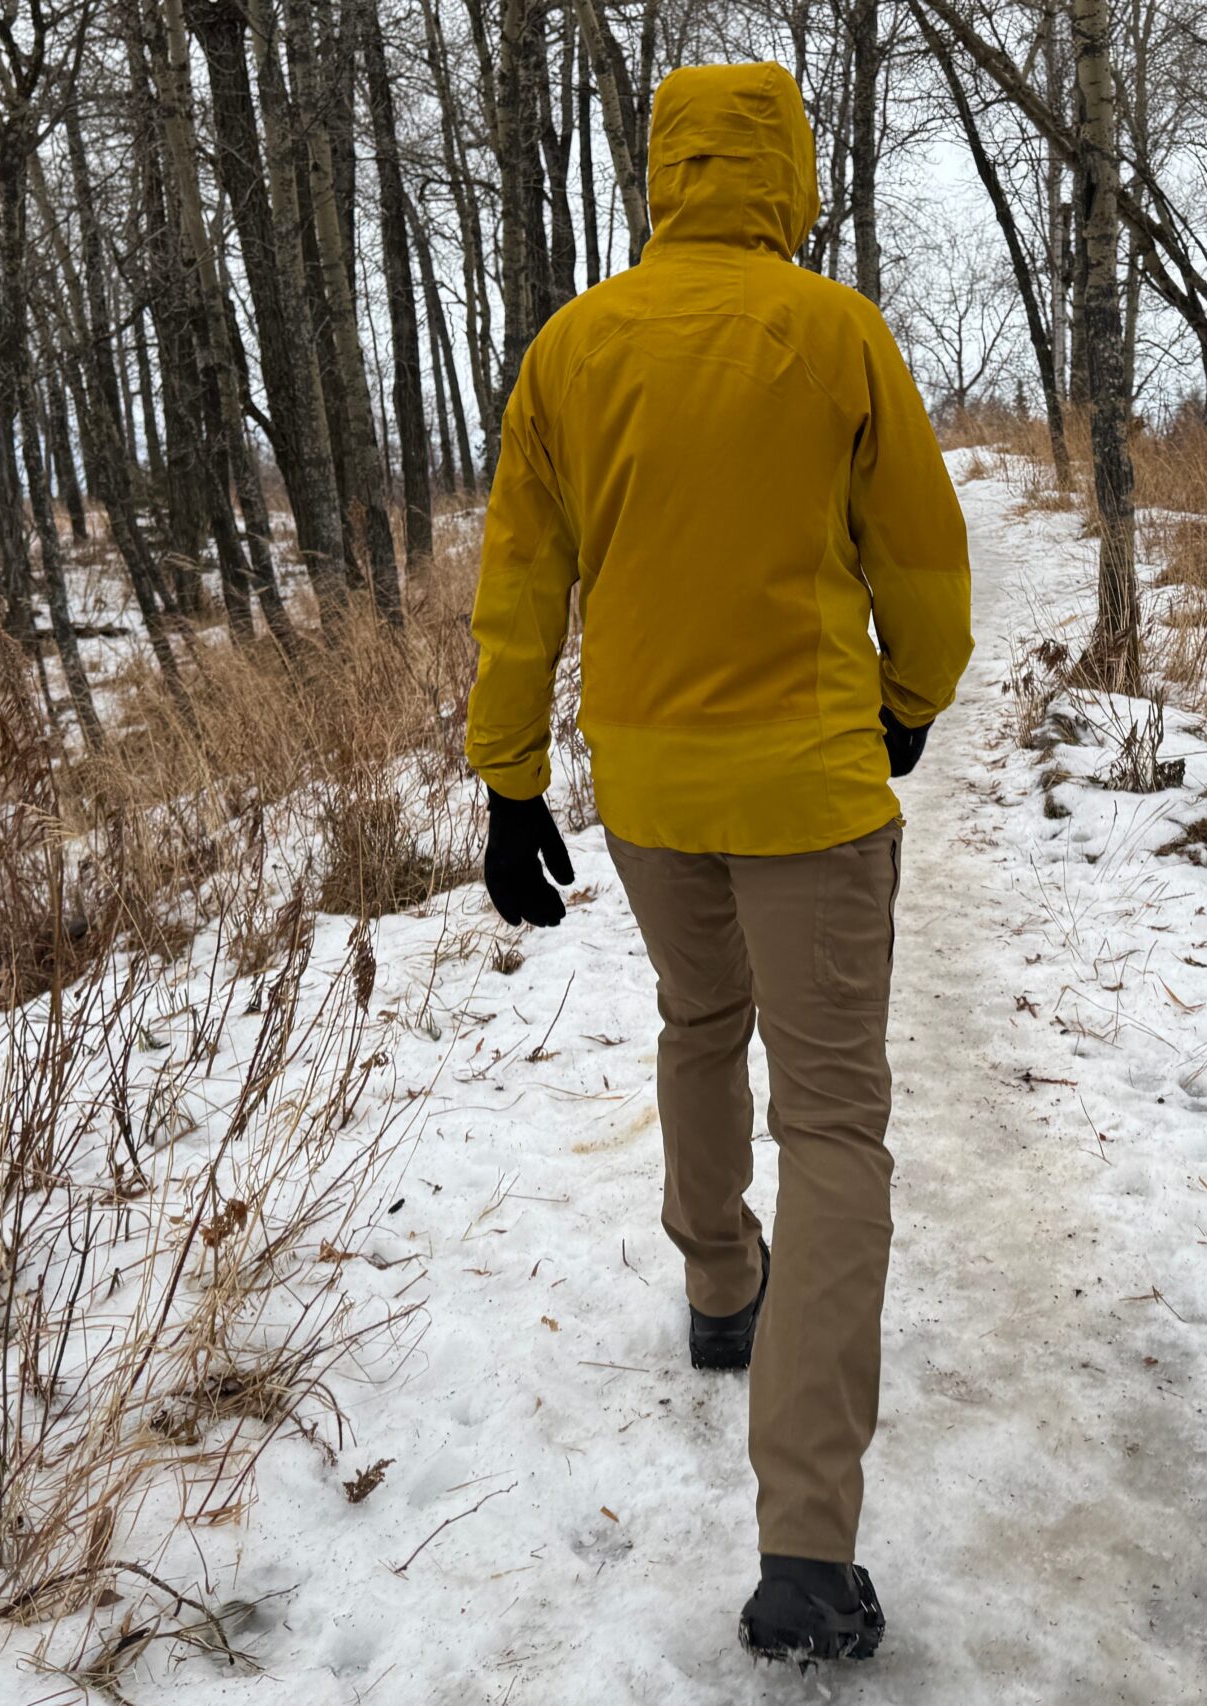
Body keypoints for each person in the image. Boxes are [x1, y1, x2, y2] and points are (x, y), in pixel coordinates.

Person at [463, 59, 972, 1666]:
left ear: (664, 172)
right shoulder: (833, 333)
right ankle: (807, 1549)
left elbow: (520, 571)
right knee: (833, 1120)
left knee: (700, 1020)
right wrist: (908, 699)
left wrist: (508, 777)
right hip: (813, 789)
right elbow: (925, 561)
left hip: (654, 790)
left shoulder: (574, 347)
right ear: (789, 174)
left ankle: (719, 1286)